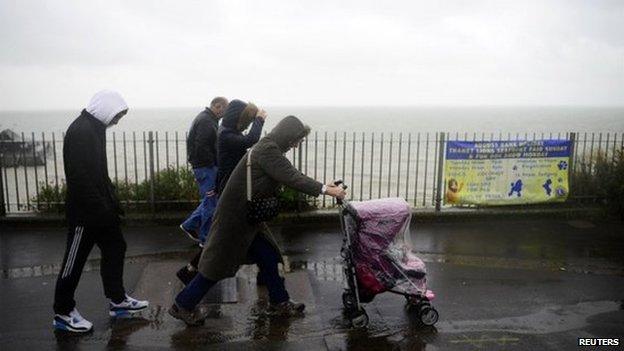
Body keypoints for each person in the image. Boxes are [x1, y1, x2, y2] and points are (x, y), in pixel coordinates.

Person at [168, 116, 346, 326]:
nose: (296, 144)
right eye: (296, 139)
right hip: (234, 220)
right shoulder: (268, 150)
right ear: (287, 135)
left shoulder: (270, 148)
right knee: (216, 265)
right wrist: (327, 190)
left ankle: (280, 302)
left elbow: (290, 174)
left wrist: (324, 186)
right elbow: (292, 177)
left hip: (247, 218)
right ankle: (183, 305)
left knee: (269, 256)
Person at [53, 90, 148, 333]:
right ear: (105, 108)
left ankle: (118, 301)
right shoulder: (81, 132)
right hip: (84, 214)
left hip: (101, 210)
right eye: (117, 115)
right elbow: (79, 178)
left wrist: (111, 203)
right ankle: (63, 312)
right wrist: (101, 207)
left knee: (117, 247)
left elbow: (99, 173)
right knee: (73, 262)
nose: (117, 120)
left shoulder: (95, 128)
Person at [176, 99, 266, 284]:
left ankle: (266, 272)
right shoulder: (225, 134)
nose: (246, 125)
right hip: (227, 189)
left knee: (230, 235)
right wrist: (259, 120)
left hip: (226, 187)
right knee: (220, 237)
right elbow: (251, 140)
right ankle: (192, 272)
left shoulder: (227, 131)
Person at [179, 97, 228, 245]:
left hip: (204, 166)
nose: (223, 115)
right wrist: (213, 164)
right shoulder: (207, 121)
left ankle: (189, 225)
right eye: (223, 111)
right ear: (217, 106)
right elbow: (202, 147)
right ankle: (205, 238)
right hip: (206, 167)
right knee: (211, 202)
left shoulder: (206, 118)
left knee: (210, 199)